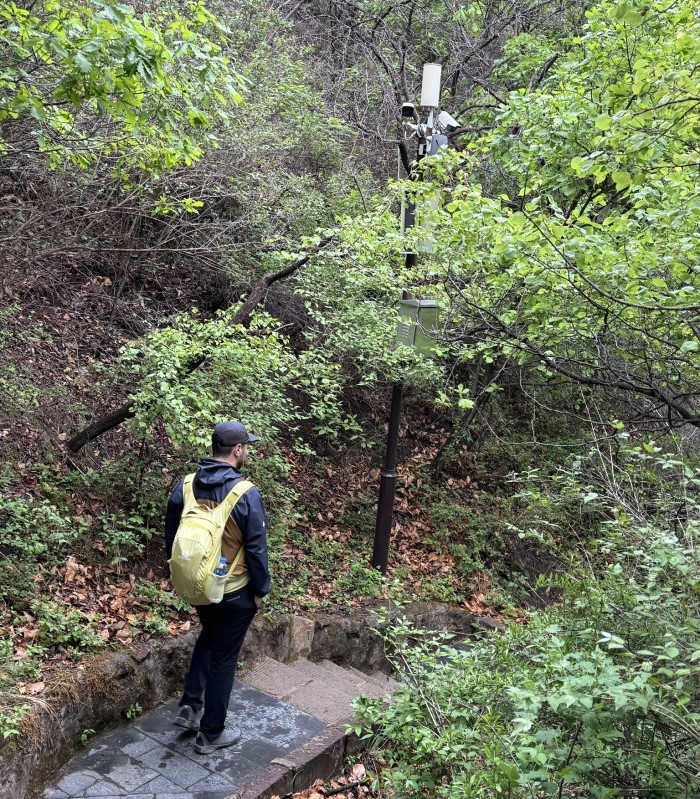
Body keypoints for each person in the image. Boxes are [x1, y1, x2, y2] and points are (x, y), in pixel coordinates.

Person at [165, 420, 270, 755]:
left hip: (198, 586)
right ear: (237, 450)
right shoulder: (245, 493)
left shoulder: (186, 485)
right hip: (235, 591)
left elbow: (171, 537)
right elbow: (256, 548)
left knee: (209, 636)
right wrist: (261, 590)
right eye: (246, 446)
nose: (247, 450)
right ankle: (211, 733)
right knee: (224, 657)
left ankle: (190, 706)